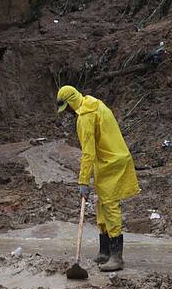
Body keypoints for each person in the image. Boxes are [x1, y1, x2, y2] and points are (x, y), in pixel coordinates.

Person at [56, 85, 140, 272]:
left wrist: (83, 181)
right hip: (107, 162)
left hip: (112, 163)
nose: (68, 113)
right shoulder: (94, 104)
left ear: (71, 102)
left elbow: (88, 152)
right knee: (102, 206)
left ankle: (116, 257)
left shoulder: (85, 117)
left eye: (67, 108)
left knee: (109, 206)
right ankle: (105, 251)